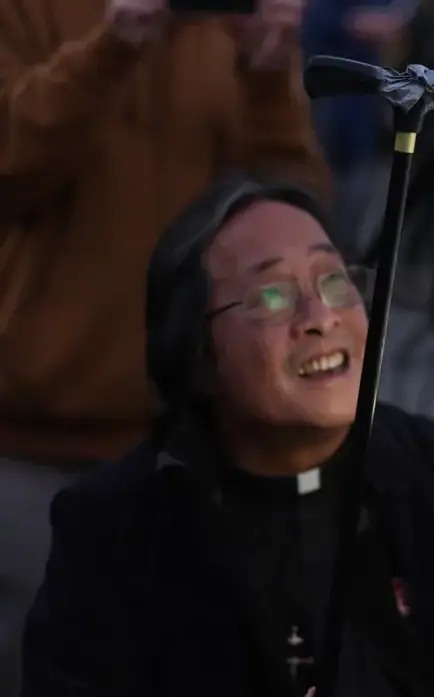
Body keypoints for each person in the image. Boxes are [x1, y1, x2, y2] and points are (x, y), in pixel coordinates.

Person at [21, 174, 434, 697]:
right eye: (273, 296)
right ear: (195, 353)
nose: (320, 316)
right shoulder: (118, 525)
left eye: (334, 281)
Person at [0, 0, 327, 689]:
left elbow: (293, 225)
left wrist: (268, 76)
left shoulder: (221, 27)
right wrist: (112, 46)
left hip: (193, 442)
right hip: (33, 441)